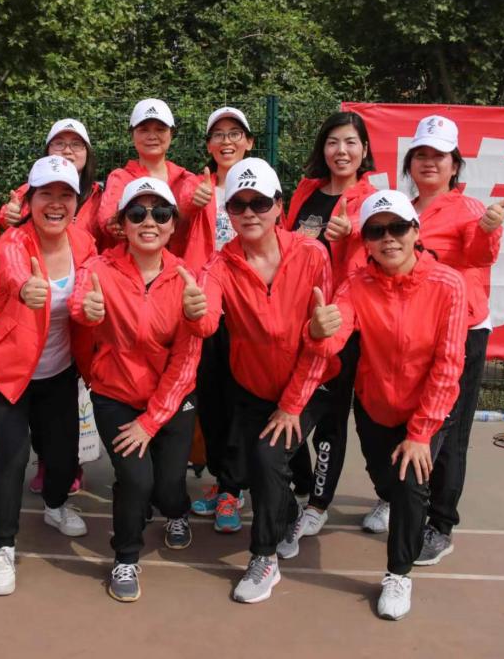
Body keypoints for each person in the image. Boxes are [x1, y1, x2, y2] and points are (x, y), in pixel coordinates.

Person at [306, 189, 467, 620]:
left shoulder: (449, 284)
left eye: (397, 227)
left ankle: (399, 573)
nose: (388, 238)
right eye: (376, 231)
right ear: (366, 242)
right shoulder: (357, 284)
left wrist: (421, 432)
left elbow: (449, 364)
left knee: (410, 483)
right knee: (386, 479)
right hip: (375, 405)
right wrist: (319, 332)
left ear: (416, 231)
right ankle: (389, 498)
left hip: (428, 409)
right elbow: (336, 334)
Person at [184, 158, 334, 604]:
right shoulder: (219, 264)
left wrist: (291, 405)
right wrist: (194, 313)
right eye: (238, 205)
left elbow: (322, 340)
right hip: (252, 387)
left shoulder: (313, 254)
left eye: (260, 203)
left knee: (269, 457)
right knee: (261, 463)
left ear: (279, 207)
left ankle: (263, 558)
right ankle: (285, 517)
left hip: (309, 383)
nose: (249, 212)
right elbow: (207, 321)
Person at [69, 177, 202, 602]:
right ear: (121, 224)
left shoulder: (186, 278)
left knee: (168, 487)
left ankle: (176, 512)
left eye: (160, 213)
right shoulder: (97, 268)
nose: (149, 222)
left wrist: (152, 420)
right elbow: (79, 303)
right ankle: (125, 556)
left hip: (172, 398)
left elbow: (186, 360)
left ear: (173, 224)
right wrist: (87, 311)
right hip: (116, 395)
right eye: (137, 213)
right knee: (135, 479)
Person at [0, 155, 97, 596]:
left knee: (63, 455)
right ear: (29, 200)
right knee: (12, 456)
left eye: (65, 194)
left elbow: (88, 289)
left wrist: (93, 306)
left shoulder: (84, 242)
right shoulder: (13, 241)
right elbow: (13, 271)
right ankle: (2, 547)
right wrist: (26, 287)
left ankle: (54, 505)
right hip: (9, 372)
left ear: (76, 202)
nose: (56, 203)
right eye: (46, 193)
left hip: (58, 371)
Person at [401, 115, 504, 565]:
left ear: (455, 165)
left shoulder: (469, 209)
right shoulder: (404, 208)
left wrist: (489, 226)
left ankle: (441, 523)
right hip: (414, 332)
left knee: (449, 430)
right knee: (413, 422)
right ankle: (405, 500)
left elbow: (479, 255)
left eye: (439, 155)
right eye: (421, 154)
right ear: (410, 162)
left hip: (463, 332)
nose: (429, 162)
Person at [283, 111, 377, 536]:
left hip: (342, 326)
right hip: (297, 321)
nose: (342, 151)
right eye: (333, 141)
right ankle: (300, 483)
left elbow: (381, 257)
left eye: (351, 142)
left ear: (364, 149)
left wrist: (354, 232)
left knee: (330, 420)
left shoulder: (371, 199)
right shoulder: (306, 190)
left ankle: (318, 504)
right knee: (289, 404)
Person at [0, 118, 101, 494]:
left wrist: (90, 306)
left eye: (76, 144)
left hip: (70, 341)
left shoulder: (98, 204)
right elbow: (10, 258)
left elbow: (92, 268)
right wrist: (25, 286)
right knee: (15, 448)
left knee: (64, 427)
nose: (68, 150)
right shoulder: (18, 226)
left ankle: (62, 475)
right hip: (16, 351)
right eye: (59, 142)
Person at [177, 106, 256, 532]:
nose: (227, 141)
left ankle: (233, 486)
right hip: (206, 307)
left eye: (235, 133)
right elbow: (169, 226)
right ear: (208, 145)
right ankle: (224, 481)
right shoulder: (196, 186)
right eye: (218, 135)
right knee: (209, 398)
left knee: (240, 399)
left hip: (247, 308)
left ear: (249, 142)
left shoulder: (261, 185)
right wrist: (190, 206)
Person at [97, 99, 193, 251]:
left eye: (160, 129)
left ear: (171, 134)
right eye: (143, 130)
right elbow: (107, 218)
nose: (152, 136)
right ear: (132, 135)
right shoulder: (119, 178)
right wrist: (113, 224)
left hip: (178, 263)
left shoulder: (187, 179)